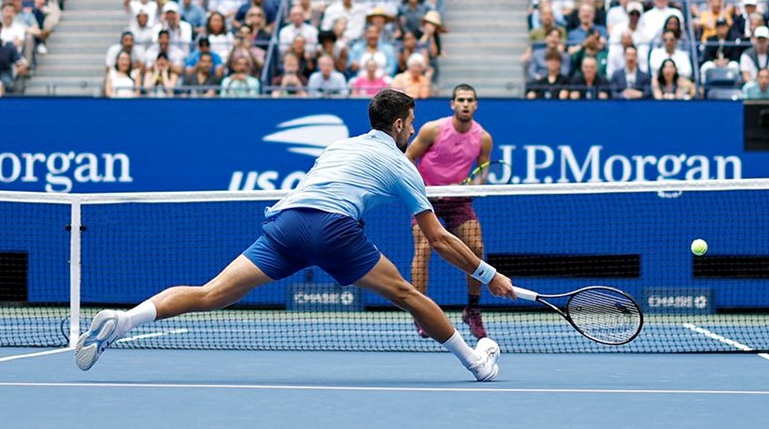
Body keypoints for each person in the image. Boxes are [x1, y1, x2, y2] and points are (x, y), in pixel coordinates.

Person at [76, 90, 511, 381]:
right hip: (334, 228)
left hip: (287, 222)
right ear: (398, 125)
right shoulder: (402, 165)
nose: (414, 129)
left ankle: (125, 320)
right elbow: (437, 238)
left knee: (211, 293)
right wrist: (489, 273)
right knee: (408, 294)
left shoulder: (339, 146)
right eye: (410, 123)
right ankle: (476, 363)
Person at [405, 85, 494, 340]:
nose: (465, 104)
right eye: (461, 100)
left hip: (457, 200)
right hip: (426, 198)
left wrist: (473, 186)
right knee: (423, 249)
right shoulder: (433, 129)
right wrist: (418, 188)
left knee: (476, 248)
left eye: (470, 100)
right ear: (452, 104)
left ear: (475, 105)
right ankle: (421, 313)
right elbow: (408, 157)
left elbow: (483, 171)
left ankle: (473, 309)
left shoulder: (483, 138)